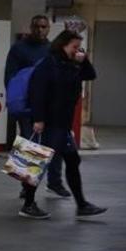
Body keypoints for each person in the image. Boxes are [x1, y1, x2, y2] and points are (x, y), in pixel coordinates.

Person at [18, 30, 105, 219]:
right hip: (49, 122)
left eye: (78, 48)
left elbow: (90, 75)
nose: (77, 51)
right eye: (74, 47)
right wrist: (38, 119)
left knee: (68, 161)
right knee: (36, 162)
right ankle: (28, 204)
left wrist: (84, 59)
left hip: (62, 123)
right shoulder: (48, 64)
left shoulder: (70, 64)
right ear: (62, 45)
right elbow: (37, 92)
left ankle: (81, 204)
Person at [6, 14, 66, 197]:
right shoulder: (19, 49)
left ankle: (55, 182)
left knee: (54, 145)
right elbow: (10, 78)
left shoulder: (52, 49)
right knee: (29, 147)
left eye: (44, 27)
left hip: (49, 106)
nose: (40, 30)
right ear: (31, 28)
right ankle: (27, 188)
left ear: (48, 28)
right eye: (37, 26)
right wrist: (16, 104)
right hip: (27, 108)